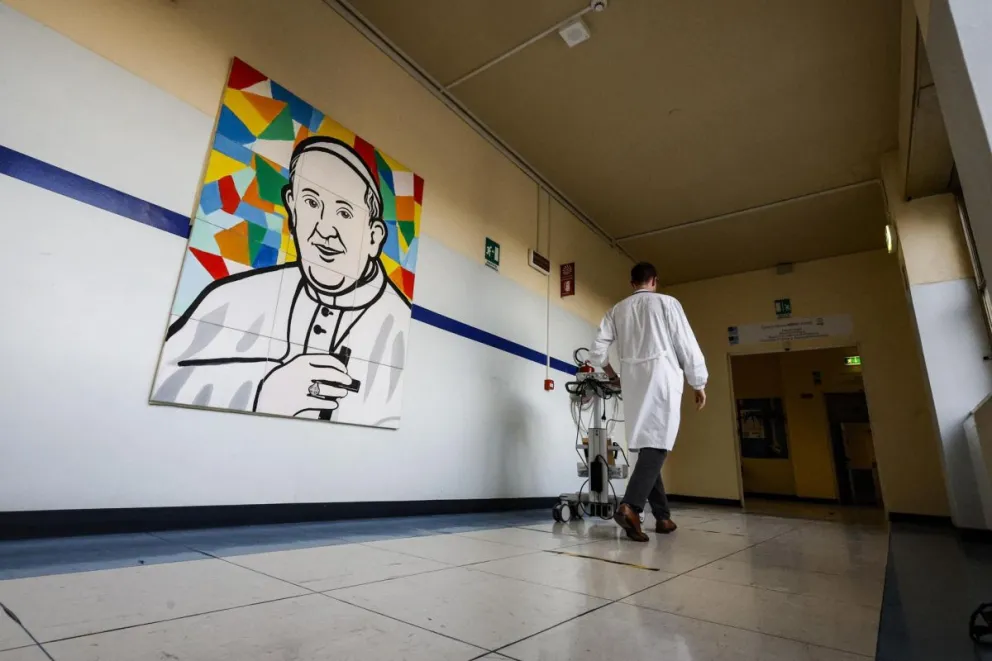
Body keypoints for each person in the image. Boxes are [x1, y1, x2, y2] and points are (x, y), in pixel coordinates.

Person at [152, 136, 410, 429]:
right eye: (311, 202)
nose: (325, 229)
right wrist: (267, 391)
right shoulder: (230, 296)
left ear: (374, 237)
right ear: (292, 207)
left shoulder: (399, 330)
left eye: (344, 212)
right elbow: (165, 375)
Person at [587, 262, 707, 542]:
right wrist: (698, 382)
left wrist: (612, 375)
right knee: (659, 443)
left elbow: (597, 351)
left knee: (648, 445)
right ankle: (631, 506)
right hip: (661, 376)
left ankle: (663, 517)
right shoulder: (667, 303)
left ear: (632, 283)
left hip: (632, 380)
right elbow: (686, 344)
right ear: (654, 281)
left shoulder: (617, 310)